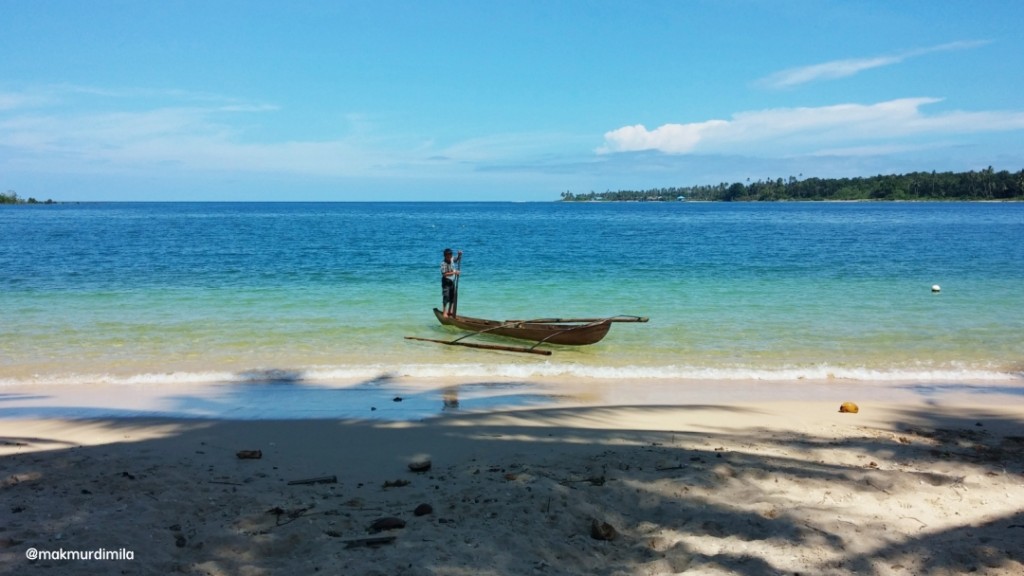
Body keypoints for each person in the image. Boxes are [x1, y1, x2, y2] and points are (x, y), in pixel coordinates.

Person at [440, 248, 462, 317]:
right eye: (448, 256)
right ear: (445, 256)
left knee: (453, 297)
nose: (449, 257)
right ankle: (444, 312)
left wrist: (459, 255)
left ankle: (450, 311)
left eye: (450, 255)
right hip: (446, 282)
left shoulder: (452, 259)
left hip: (452, 281)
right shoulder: (443, 263)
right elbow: (444, 274)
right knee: (446, 296)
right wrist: (455, 272)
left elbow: (457, 259)